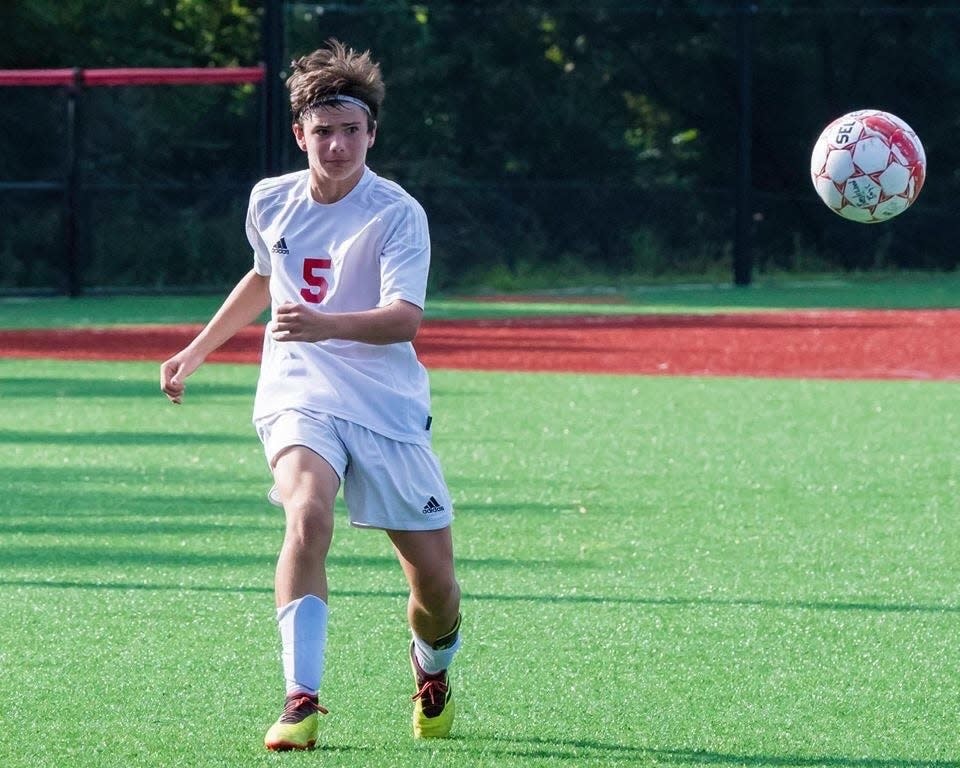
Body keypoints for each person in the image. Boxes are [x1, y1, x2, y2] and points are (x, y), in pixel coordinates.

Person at [160, 39, 462, 751]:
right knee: (306, 513)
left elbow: (405, 320)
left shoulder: (397, 212)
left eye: (350, 131)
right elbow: (264, 277)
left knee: (437, 590)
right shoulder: (271, 198)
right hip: (299, 390)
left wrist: (324, 323)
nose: (336, 144)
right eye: (322, 131)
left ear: (371, 135)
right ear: (300, 134)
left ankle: (433, 667)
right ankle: (301, 701)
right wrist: (197, 350)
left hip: (386, 405)